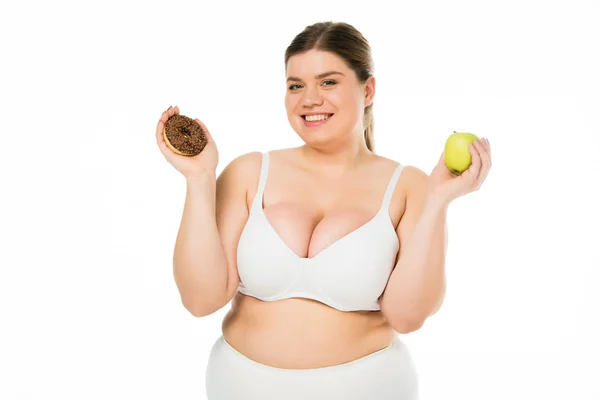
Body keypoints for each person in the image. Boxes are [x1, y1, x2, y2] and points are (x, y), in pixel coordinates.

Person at [155, 21, 491, 400]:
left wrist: (438, 201)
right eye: (295, 85)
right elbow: (200, 300)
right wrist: (200, 178)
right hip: (240, 386)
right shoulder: (249, 172)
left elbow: (408, 316)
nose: (309, 99)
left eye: (328, 82)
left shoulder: (410, 186)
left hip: (370, 387)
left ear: (368, 89)